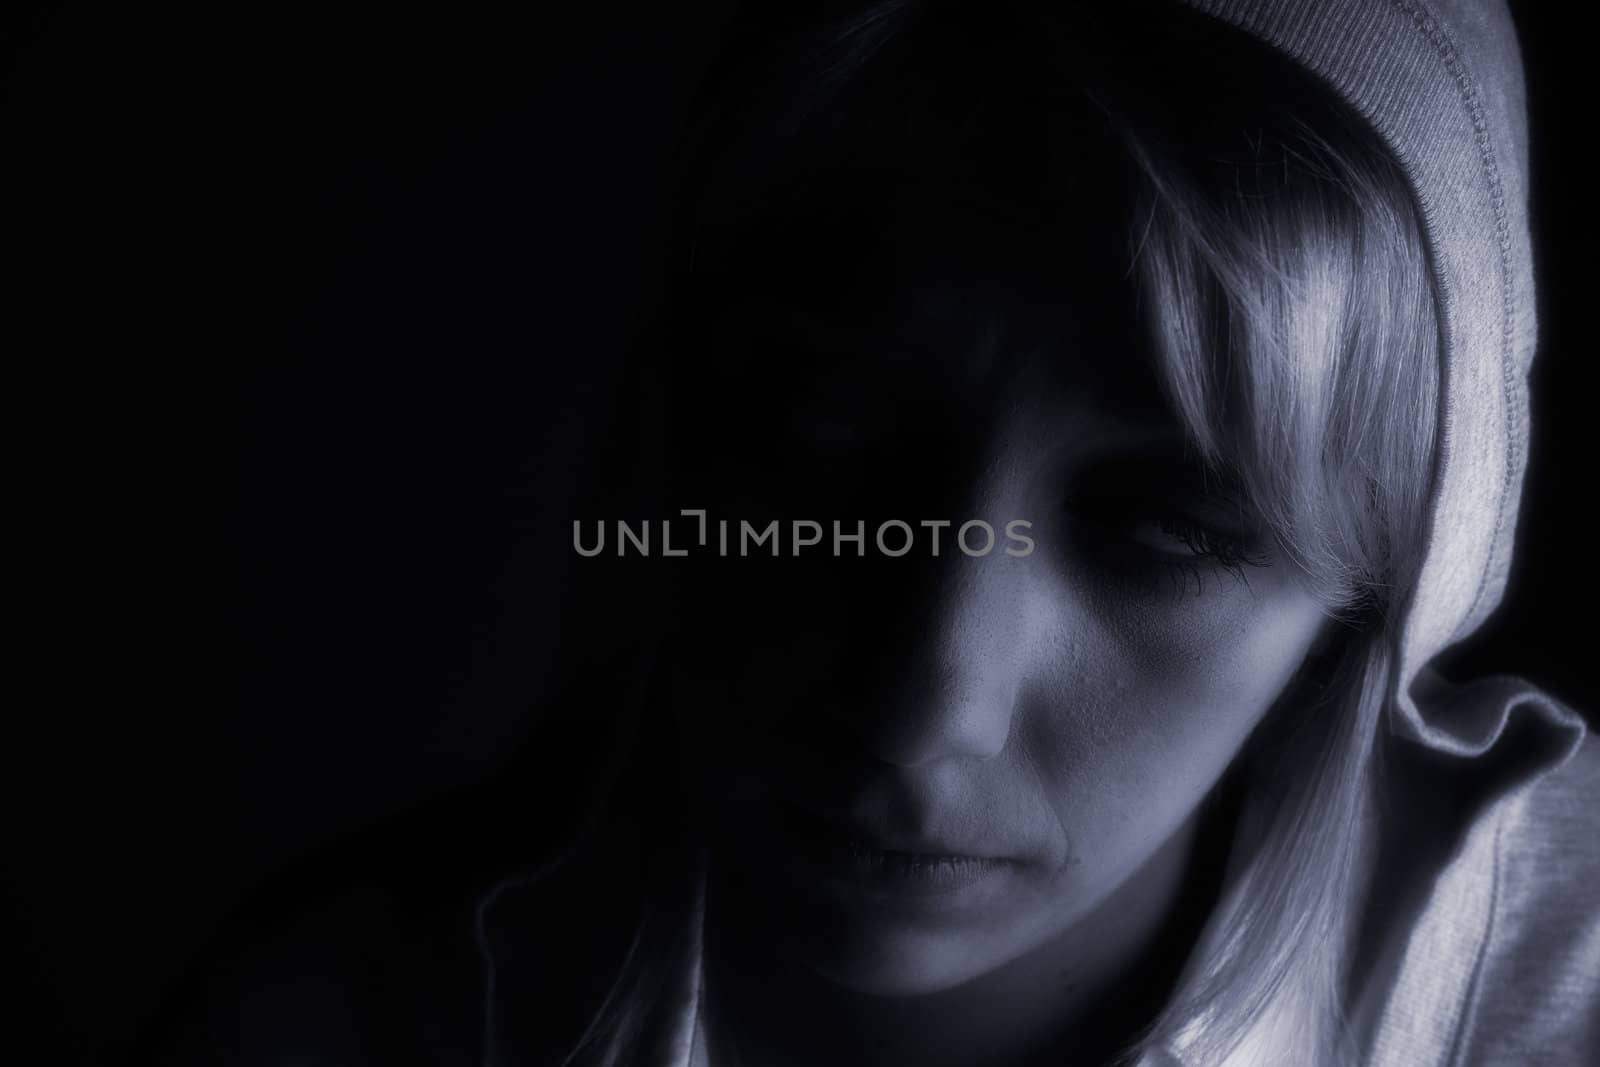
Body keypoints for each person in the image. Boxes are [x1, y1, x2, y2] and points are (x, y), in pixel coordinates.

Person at [141, 1, 1598, 1065]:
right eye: (820, 451)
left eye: (1167, 532)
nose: (918, 704)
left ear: (1381, 597)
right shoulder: (344, 1026)